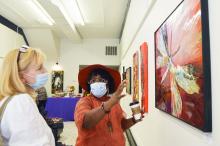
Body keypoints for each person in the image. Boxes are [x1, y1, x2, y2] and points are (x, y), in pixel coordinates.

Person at [75, 64, 143, 146]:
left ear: (108, 84)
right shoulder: (84, 102)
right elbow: (86, 123)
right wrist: (109, 104)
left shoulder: (114, 102)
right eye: (93, 81)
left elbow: (120, 126)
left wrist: (134, 120)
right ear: (89, 84)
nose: (97, 83)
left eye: (101, 80)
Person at [0, 45, 55, 145]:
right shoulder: (20, 101)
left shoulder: (10, 99)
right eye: (39, 68)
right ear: (21, 76)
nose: (45, 71)